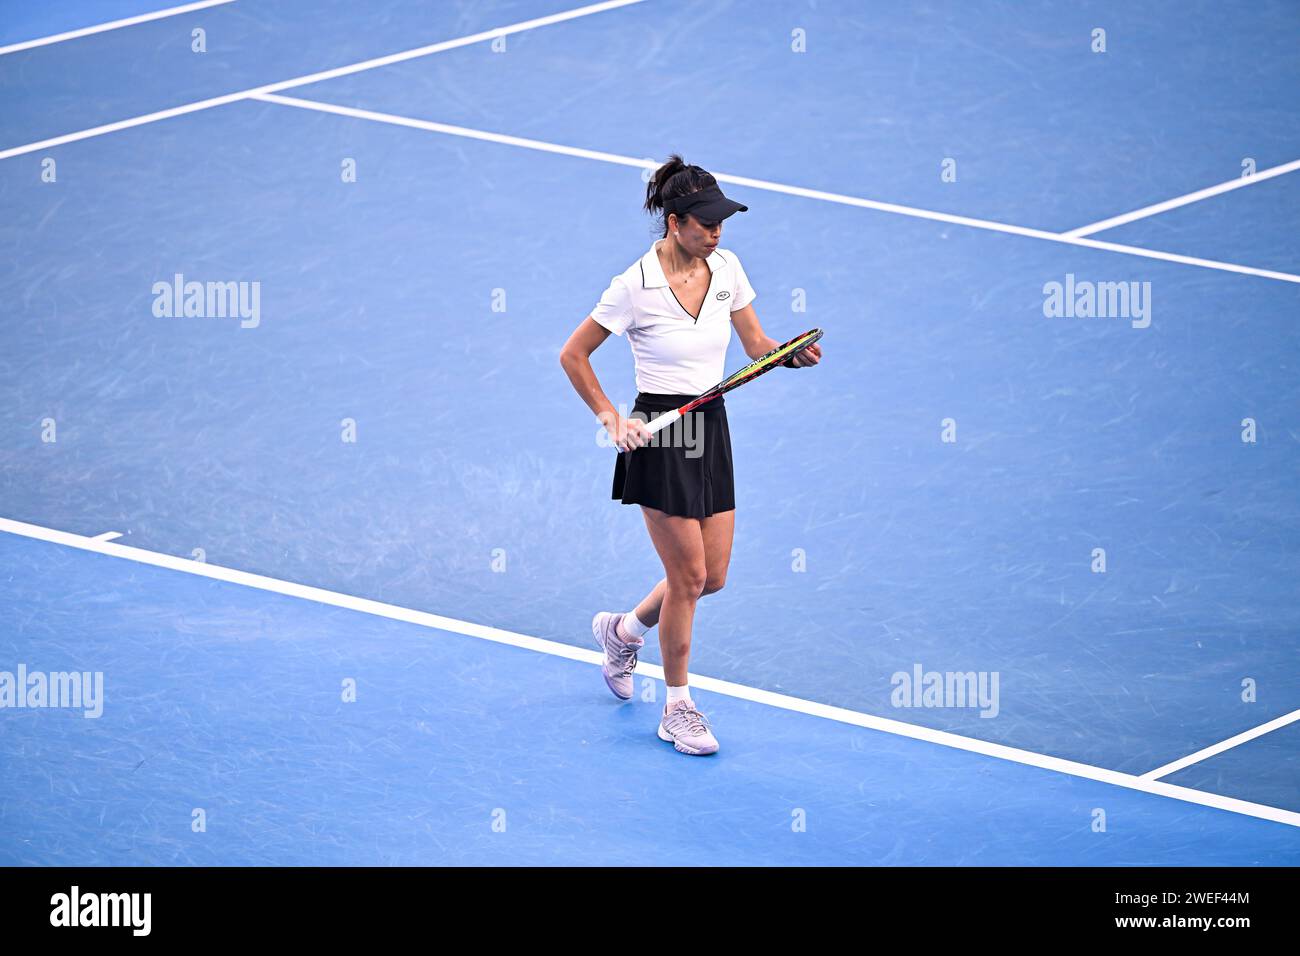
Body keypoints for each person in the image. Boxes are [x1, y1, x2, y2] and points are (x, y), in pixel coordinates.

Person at [558, 155, 822, 755]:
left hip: (710, 422)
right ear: (674, 222)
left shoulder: (726, 267)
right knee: (688, 578)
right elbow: (574, 355)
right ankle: (677, 707)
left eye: (721, 222)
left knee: (713, 577)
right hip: (661, 431)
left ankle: (622, 632)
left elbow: (756, 346)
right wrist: (610, 417)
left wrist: (785, 355)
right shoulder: (633, 286)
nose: (717, 232)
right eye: (706, 223)